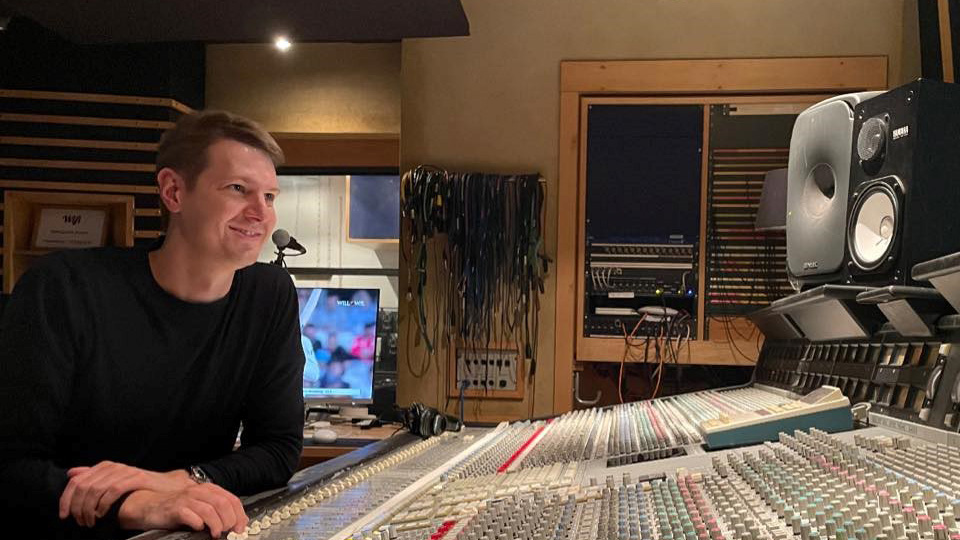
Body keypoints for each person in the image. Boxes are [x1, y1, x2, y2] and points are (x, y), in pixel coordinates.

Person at [0, 111, 305, 539]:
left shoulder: (269, 294)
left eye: (270, 196)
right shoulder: (63, 288)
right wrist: (136, 505)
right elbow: (12, 468)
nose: (262, 214)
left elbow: (278, 450)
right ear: (174, 191)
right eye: (238, 189)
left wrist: (182, 481)